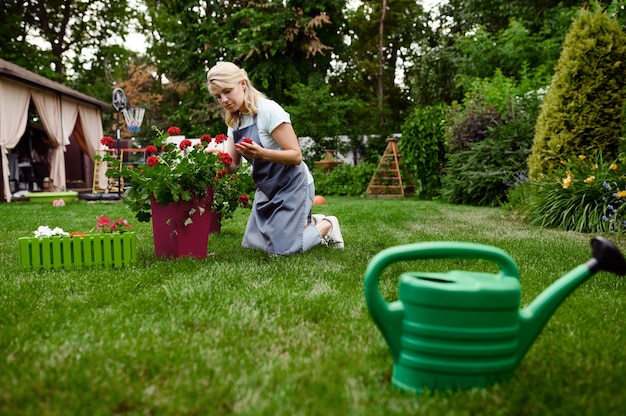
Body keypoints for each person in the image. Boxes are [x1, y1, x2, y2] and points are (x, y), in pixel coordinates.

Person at [207, 61, 344, 256]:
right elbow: (233, 166)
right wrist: (218, 158)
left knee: (282, 251)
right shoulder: (234, 121)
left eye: (227, 91)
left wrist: (261, 153)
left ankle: (326, 225)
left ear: (243, 84)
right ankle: (308, 224)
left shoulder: (269, 110)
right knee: (256, 247)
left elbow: (296, 155)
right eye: (218, 96)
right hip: (268, 188)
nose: (224, 99)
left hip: (294, 185)